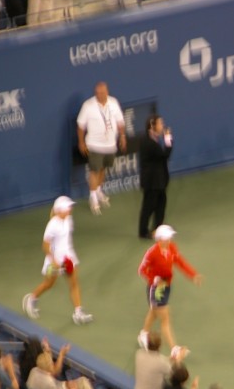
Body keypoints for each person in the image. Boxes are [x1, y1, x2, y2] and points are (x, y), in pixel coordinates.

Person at [22, 195, 93, 325]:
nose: (70, 209)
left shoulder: (69, 220)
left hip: (68, 257)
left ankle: (78, 312)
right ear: (59, 210)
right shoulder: (52, 225)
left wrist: (68, 258)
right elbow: (45, 246)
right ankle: (31, 299)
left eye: (70, 206)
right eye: (68, 207)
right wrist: (54, 260)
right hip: (53, 260)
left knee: (74, 283)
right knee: (48, 284)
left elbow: (66, 240)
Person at [137, 224, 202, 353]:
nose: (169, 241)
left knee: (154, 312)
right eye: (167, 238)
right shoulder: (152, 253)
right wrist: (154, 279)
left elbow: (180, 261)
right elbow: (141, 270)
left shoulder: (172, 247)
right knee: (165, 318)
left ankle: (143, 334)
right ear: (160, 239)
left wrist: (193, 274)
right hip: (156, 289)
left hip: (167, 285)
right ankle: (174, 349)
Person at [76, 82, 126, 216]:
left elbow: (120, 122)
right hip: (94, 145)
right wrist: (81, 142)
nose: (100, 95)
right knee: (94, 170)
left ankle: (98, 191)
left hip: (110, 145)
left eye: (102, 93)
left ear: (107, 92)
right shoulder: (88, 105)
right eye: (97, 93)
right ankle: (92, 198)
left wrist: (122, 136)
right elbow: (81, 126)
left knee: (103, 168)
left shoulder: (114, 103)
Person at [138, 115, 173, 239]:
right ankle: (143, 232)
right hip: (152, 181)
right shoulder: (149, 143)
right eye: (160, 124)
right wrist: (168, 139)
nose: (162, 126)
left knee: (161, 204)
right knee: (149, 206)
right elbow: (165, 155)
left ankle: (158, 229)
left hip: (158, 180)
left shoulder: (152, 139)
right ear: (152, 126)